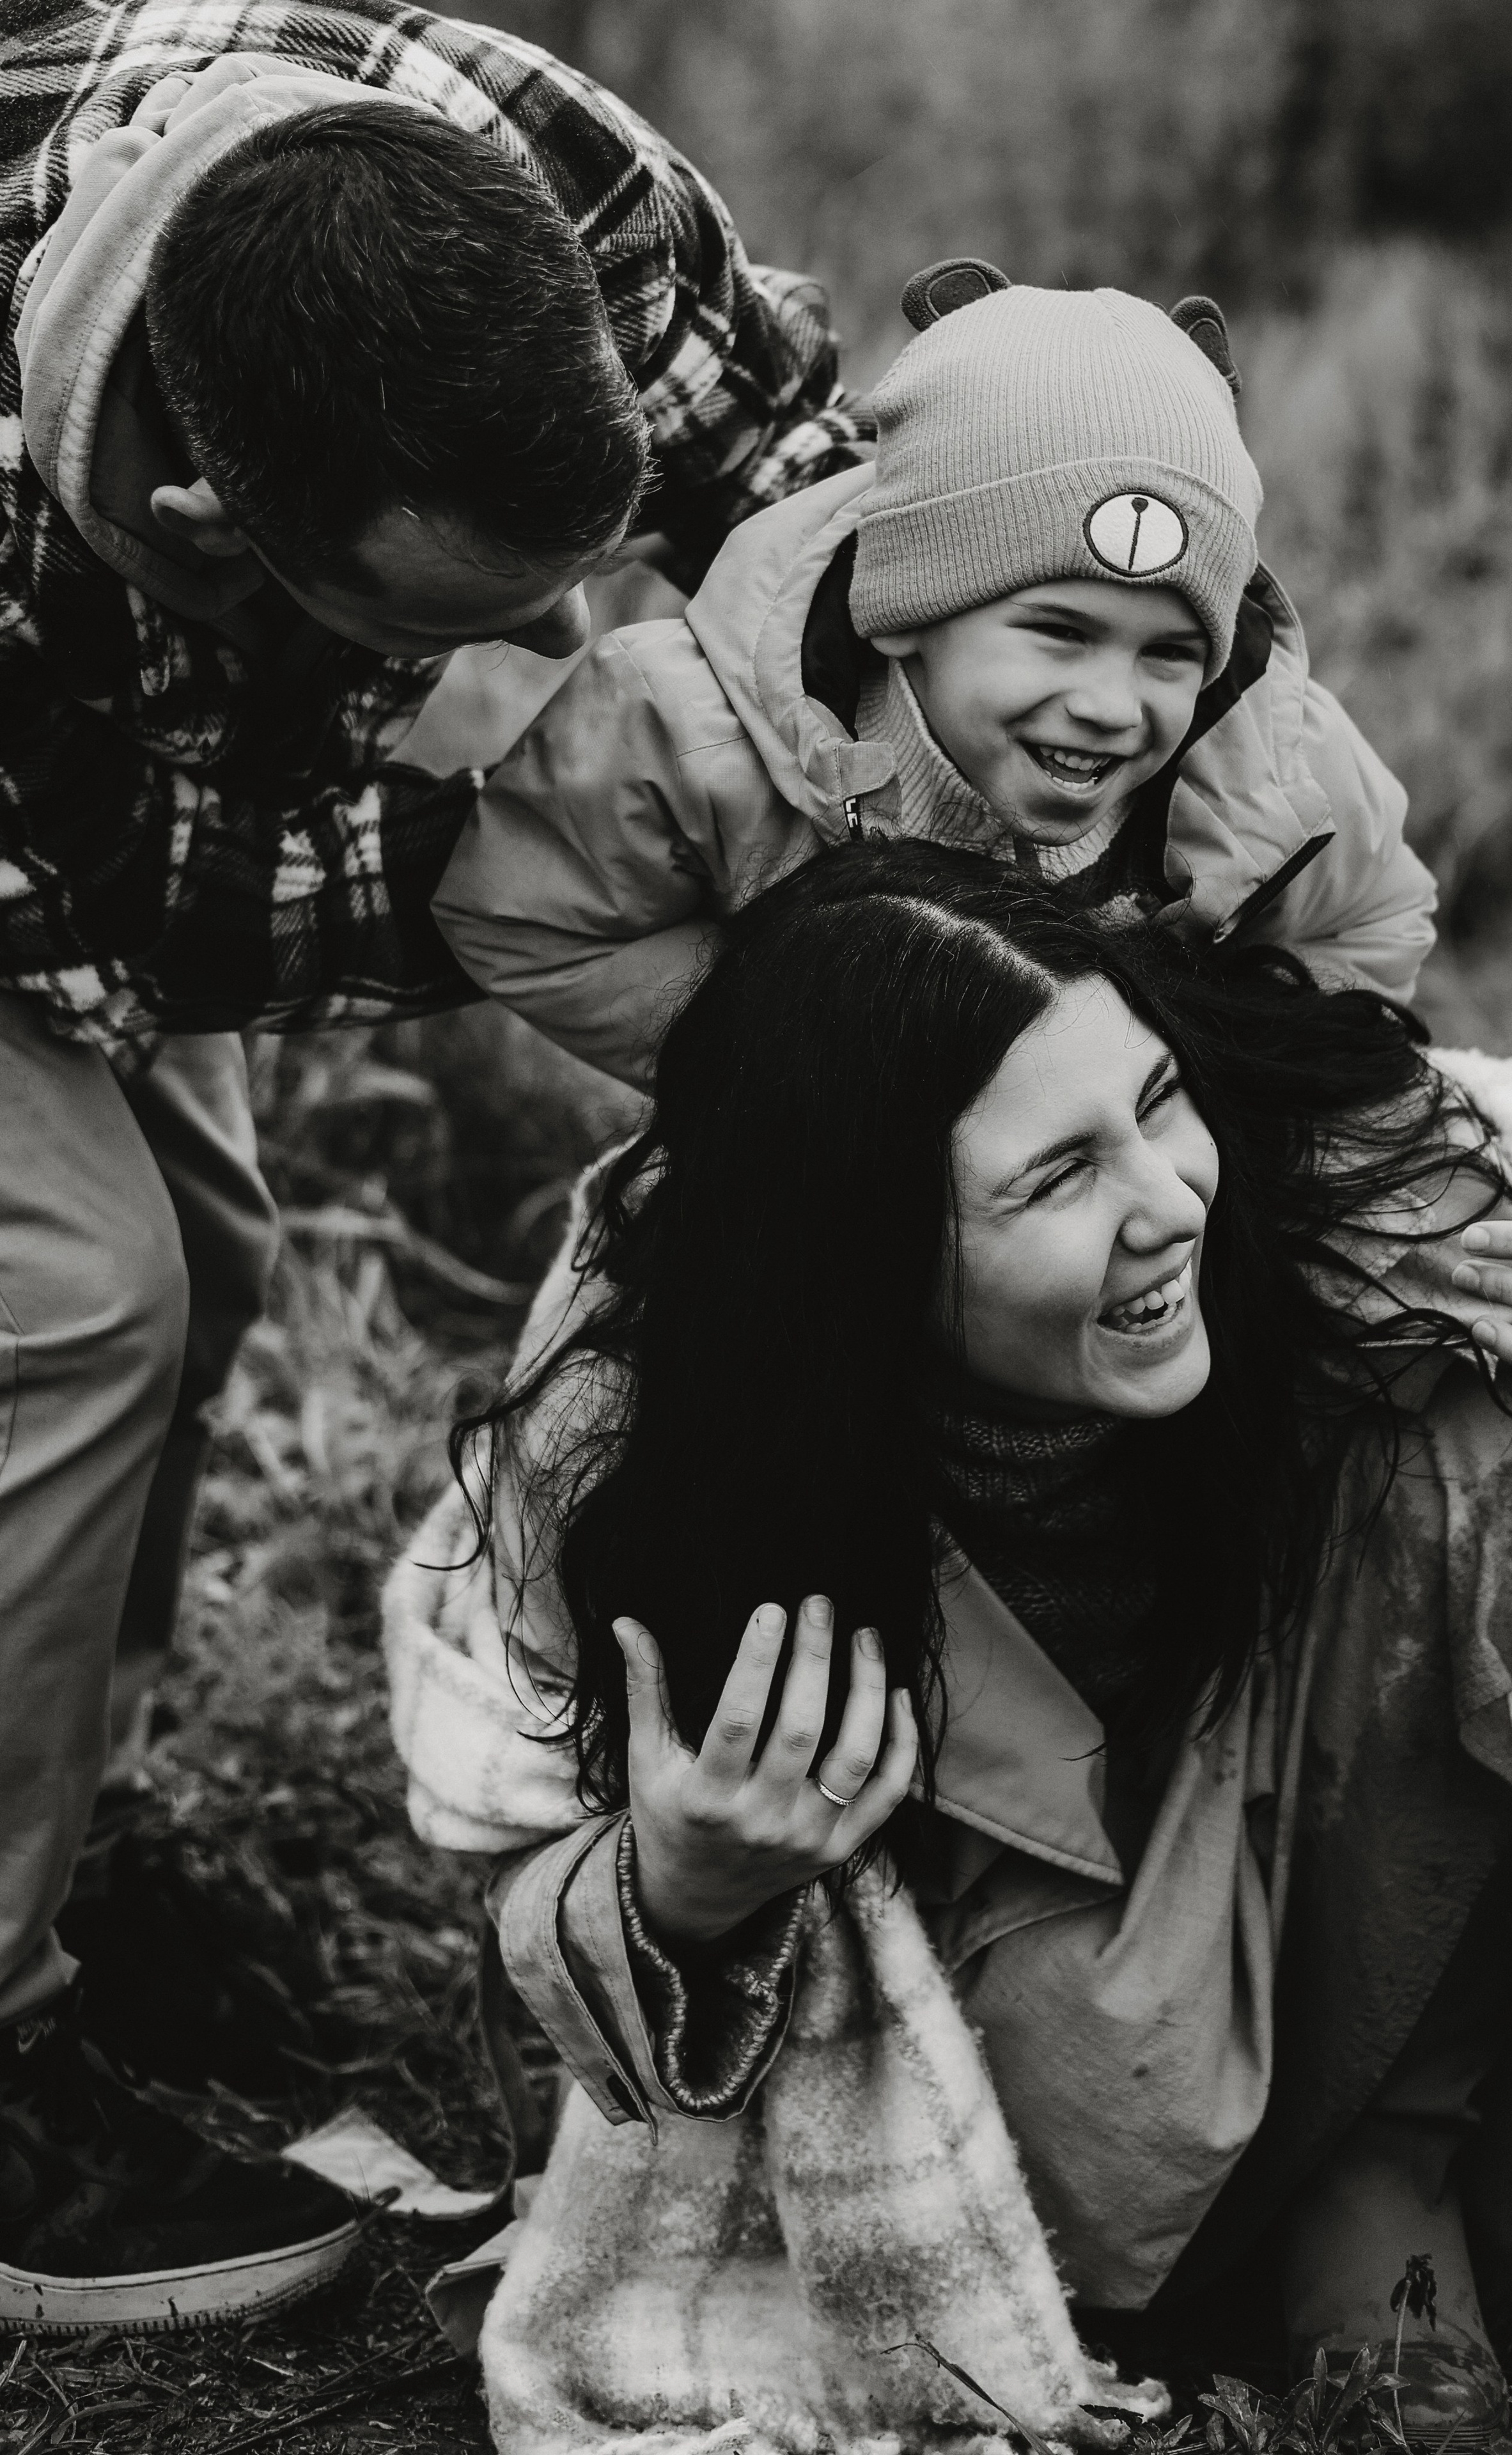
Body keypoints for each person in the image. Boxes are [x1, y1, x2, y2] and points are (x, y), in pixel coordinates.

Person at [0, 0, 870, 2334]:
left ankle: (69, 1875)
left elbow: (794, 475)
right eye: (470, 627)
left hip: (136, 717)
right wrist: (568, 891)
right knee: (67, 1304)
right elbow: (170, 903)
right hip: (41, 799)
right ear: (214, 535)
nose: (570, 644)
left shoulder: (522, 163)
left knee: (204, 1249)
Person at [384, 841, 1512, 2447]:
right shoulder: (634, 1460)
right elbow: (511, 1844)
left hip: (1307, 1888)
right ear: (863, 1252)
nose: (1168, 1201)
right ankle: (1080, 2312)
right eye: (1055, 1180)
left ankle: (1379, 2161)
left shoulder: (1304, 1193)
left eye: (1158, 1102)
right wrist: (686, 1884)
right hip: (1003, 2069)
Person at [433, 261, 1438, 1088]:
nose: (1108, 705)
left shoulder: (1272, 752)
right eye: (1057, 631)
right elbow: (522, 914)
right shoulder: (689, 723)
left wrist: (1262, 1073)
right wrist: (787, 1060)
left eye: (1169, 652)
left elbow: (1377, 909)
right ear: (907, 608)